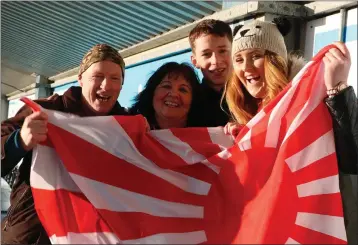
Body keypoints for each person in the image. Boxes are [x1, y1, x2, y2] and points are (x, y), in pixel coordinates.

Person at [224, 17, 357, 243]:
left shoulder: (314, 100)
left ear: (276, 59)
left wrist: (337, 90)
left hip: (323, 227)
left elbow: (352, 157)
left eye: (256, 56)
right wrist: (242, 144)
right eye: (238, 59)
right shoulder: (247, 114)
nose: (245, 68)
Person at [1, 43, 128, 244]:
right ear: (80, 79)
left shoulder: (127, 128)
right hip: (33, 236)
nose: (106, 85)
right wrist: (20, 141)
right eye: (97, 76)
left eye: (115, 78)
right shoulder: (44, 111)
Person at [129, 62, 202, 129]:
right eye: (166, 86)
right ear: (152, 92)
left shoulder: (207, 135)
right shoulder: (129, 131)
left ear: (193, 99)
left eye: (183, 90)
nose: (173, 94)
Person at [189, 19, 233, 127]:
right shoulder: (188, 102)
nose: (216, 61)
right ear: (195, 61)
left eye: (222, 51)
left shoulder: (253, 95)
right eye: (206, 54)